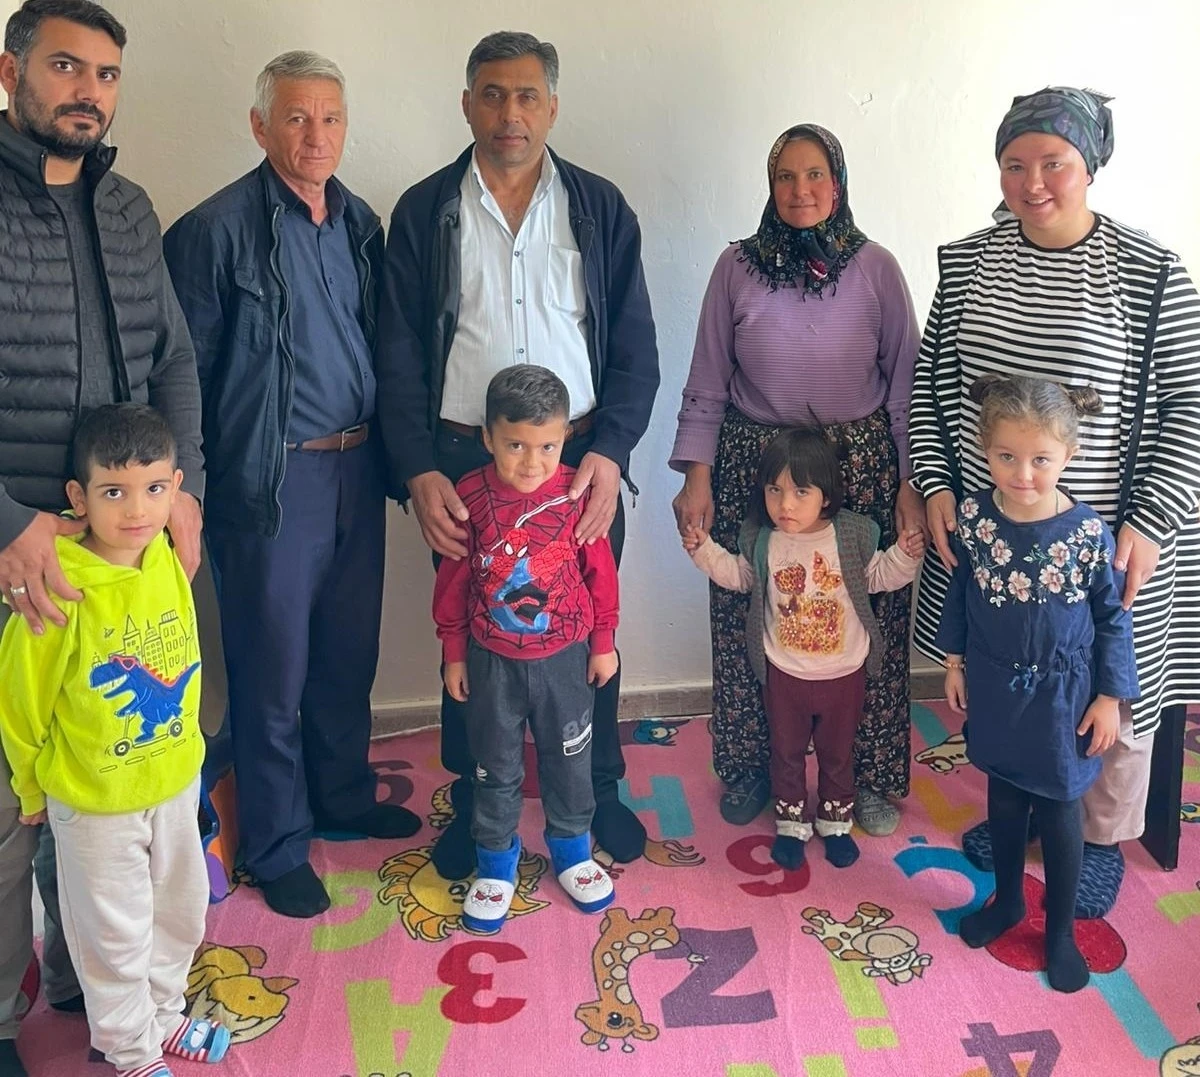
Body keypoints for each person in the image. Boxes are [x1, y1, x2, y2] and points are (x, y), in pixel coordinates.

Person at [909, 87, 1200, 918]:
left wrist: (1151, 518)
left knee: (1103, 680)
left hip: (1104, 537)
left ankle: (1098, 834)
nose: (1032, 182)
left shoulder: (1151, 274)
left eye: (1054, 163)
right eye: (1014, 164)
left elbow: (1190, 403)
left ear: (1091, 166)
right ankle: (1028, 809)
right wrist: (935, 481)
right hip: (997, 533)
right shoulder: (968, 264)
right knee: (1008, 677)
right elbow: (930, 388)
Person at [376, 30, 660, 880]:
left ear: (553, 107)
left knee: (586, 624)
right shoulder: (425, 211)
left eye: (528, 95)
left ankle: (597, 788)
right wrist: (418, 466)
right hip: (464, 466)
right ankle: (477, 803)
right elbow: (397, 353)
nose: (511, 112)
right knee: (472, 633)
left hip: (578, 467)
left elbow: (635, 346)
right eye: (493, 94)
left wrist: (612, 452)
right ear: (467, 104)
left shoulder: (598, 208)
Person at [163, 51, 419, 921]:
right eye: (298, 117)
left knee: (347, 655)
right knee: (272, 670)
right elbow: (182, 376)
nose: (317, 135)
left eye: (331, 118)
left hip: (357, 467)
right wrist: (187, 488)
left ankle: (341, 797)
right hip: (271, 479)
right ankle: (274, 845)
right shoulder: (212, 232)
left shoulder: (359, 223)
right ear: (260, 125)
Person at [0, 3, 206, 1073]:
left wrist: (183, 489)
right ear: (10, 73)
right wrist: (11, 525)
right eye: (66, 66)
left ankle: (90, 978)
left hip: (122, 544)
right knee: (14, 809)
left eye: (108, 73)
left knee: (106, 778)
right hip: (13, 551)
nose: (89, 90)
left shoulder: (126, 207)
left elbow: (172, 358)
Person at [670, 123, 923, 836]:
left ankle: (866, 776)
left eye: (815, 175)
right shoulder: (735, 268)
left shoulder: (876, 268)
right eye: (786, 175)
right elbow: (706, 382)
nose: (800, 190)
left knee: (868, 618)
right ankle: (754, 767)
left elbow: (906, 387)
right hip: (758, 468)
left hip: (858, 469)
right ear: (770, 185)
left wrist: (911, 480)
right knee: (751, 612)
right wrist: (696, 477)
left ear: (837, 185)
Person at [0, 404, 229, 1077]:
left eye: (154, 488)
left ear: (176, 487)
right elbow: (22, 702)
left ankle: (162, 1016)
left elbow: (184, 655)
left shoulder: (167, 556)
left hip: (173, 783)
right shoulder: (57, 586)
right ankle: (131, 1050)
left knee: (180, 914)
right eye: (114, 491)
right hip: (95, 801)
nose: (136, 509)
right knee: (114, 933)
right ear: (79, 497)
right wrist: (31, 787)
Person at [936, 375, 1138, 993]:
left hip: (1063, 699)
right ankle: (1006, 902)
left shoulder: (1087, 533)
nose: (1022, 474)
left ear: (1068, 455)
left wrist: (1110, 697)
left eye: (1040, 460)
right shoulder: (975, 517)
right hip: (996, 686)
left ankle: (1060, 934)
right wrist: (954, 662)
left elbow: (1112, 618)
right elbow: (961, 593)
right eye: (1006, 456)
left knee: (1058, 808)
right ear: (985, 449)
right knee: (1002, 796)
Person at [682, 428, 925, 870]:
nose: (786, 505)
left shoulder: (849, 536)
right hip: (784, 675)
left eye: (800, 492)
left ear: (826, 496)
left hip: (843, 675)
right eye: (774, 490)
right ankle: (791, 825)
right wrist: (703, 551)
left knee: (838, 755)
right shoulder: (764, 540)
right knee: (786, 754)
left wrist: (906, 555)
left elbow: (877, 578)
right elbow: (738, 576)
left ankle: (835, 823)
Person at [433, 366, 618, 933]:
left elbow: (600, 574)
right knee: (494, 766)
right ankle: (495, 862)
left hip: (566, 658)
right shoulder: (469, 498)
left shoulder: (577, 494)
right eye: (515, 445)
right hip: (492, 662)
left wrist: (604, 642)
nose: (532, 462)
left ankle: (572, 849)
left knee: (571, 760)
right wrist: (454, 651)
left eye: (547, 447)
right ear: (487, 438)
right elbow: (452, 583)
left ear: (565, 438)